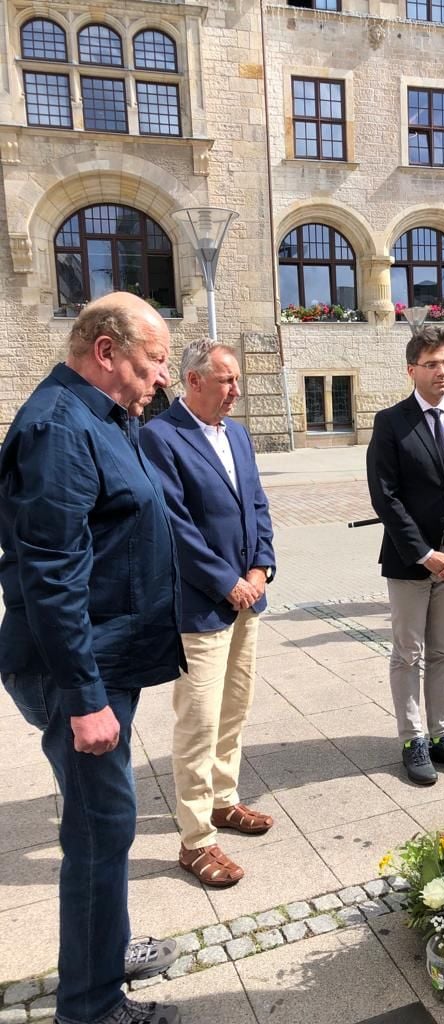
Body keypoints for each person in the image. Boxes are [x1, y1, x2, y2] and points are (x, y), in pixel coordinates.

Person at [0, 293, 184, 1024]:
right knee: (101, 833)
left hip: (106, 659)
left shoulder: (101, 414)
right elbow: (47, 573)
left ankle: (101, 952)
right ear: (106, 352)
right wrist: (84, 699)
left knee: (103, 826)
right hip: (84, 671)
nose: (158, 382)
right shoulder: (57, 428)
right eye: (151, 363)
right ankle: (92, 1005)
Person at [141, 339, 276, 887]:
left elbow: (259, 507)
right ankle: (196, 838)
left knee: (235, 710)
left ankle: (224, 800)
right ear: (192, 381)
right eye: (226, 380)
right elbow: (173, 525)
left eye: (237, 379)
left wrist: (261, 568)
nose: (236, 391)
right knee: (198, 721)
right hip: (201, 609)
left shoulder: (237, 435)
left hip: (249, 599)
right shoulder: (161, 437)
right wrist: (226, 584)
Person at [367, 326, 444, 785]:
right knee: (408, 653)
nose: (442, 372)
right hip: (410, 562)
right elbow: (386, 496)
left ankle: (443, 734)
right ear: (412, 370)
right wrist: (423, 553)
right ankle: (413, 738)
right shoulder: (391, 423)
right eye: (432, 364)